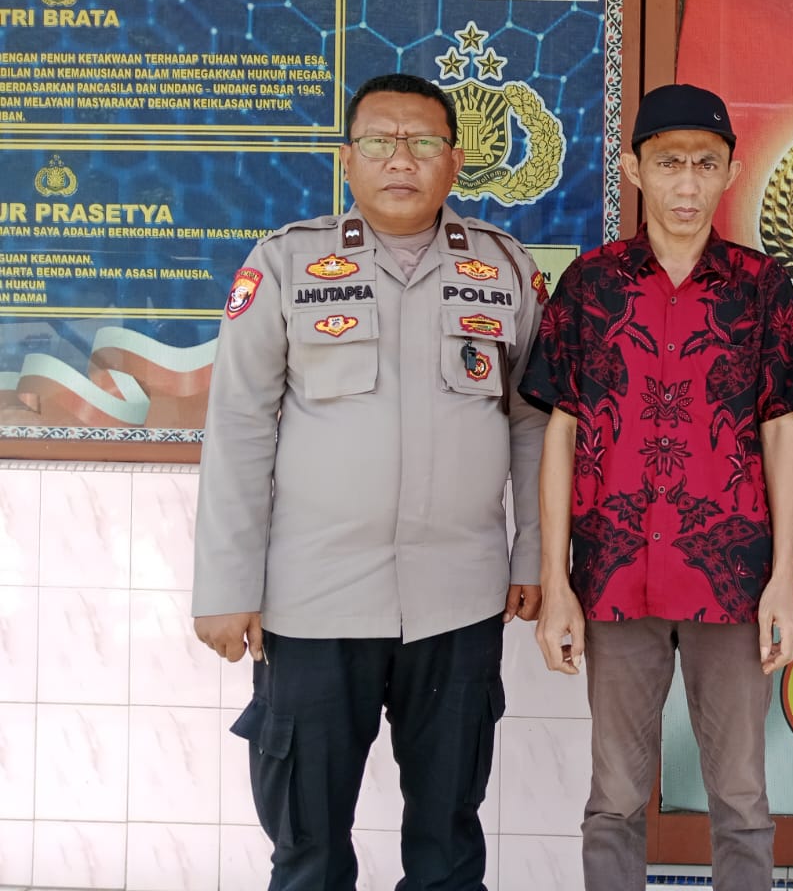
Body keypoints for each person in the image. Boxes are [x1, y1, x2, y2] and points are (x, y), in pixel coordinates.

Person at [192, 72, 548, 891]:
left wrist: (532, 556)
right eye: (381, 141)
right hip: (314, 600)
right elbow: (239, 425)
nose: (402, 159)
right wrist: (226, 586)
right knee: (309, 849)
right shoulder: (285, 263)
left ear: (454, 161)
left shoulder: (503, 270)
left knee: (448, 849)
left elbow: (532, 422)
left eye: (422, 142)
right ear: (347, 160)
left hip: (458, 599)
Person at [520, 82, 793, 891]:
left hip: (732, 581)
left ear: (730, 172)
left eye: (704, 164)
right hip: (614, 576)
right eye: (668, 163)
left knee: (742, 799)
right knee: (615, 799)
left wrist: (783, 579)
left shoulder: (760, 286)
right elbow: (560, 432)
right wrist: (556, 583)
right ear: (634, 170)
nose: (686, 183)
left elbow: (782, 431)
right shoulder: (590, 286)